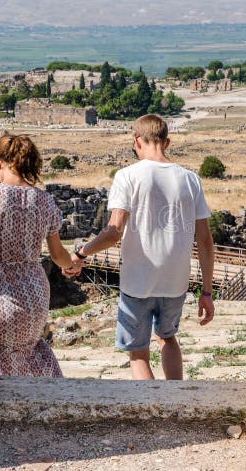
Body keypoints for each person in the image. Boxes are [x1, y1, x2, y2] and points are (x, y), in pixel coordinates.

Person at [69, 114, 215, 380]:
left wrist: (81, 253)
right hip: (176, 281)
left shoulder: (127, 176)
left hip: (137, 282)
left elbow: (114, 232)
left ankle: (151, 411)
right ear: (167, 142)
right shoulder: (191, 179)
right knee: (167, 338)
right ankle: (174, 400)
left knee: (138, 352)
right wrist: (207, 291)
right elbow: (205, 240)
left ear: (136, 141)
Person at [0, 134, 76, 377]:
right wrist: (70, 264)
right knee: (30, 355)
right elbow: (57, 253)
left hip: (0, 291)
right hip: (36, 294)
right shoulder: (45, 200)